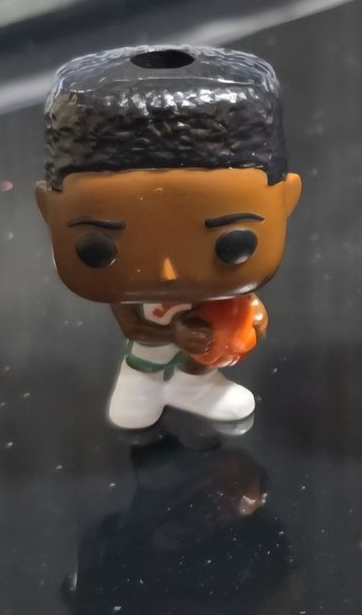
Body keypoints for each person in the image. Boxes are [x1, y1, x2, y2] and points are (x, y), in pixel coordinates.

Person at [36, 45, 301, 429]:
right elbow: (132, 328)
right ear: (47, 209)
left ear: (286, 200)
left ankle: (193, 387)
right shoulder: (129, 295)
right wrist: (174, 332)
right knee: (135, 404)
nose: (168, 272)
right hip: (148, 355)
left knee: (196, 366)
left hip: (203, 354)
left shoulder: (218, 292)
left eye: (232, 245)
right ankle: (146, 388)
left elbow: (244, 309)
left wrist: (251, 317)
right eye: (98, 249)